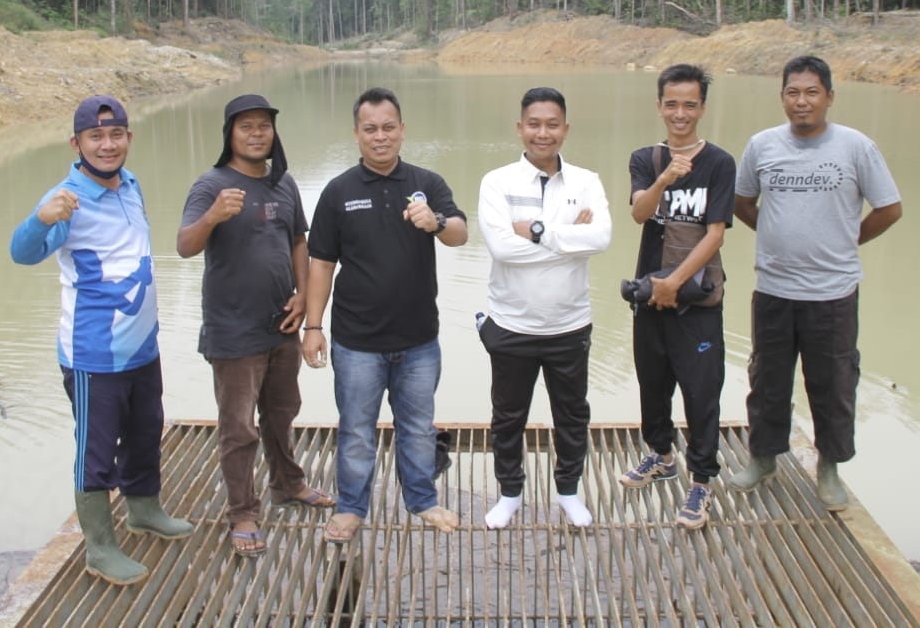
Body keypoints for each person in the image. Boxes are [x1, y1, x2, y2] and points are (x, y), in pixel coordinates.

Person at [10, 95, 192, 586]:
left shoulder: (130, 184)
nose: (107, 145)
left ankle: (144, 510)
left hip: (142, 347)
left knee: (145, 431)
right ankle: (99, 547)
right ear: (77, 143)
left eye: (115, 135)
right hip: (95, 356)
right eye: (96, 136)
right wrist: (41, 219)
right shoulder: (66, 199)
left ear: (128, 138)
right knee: (95, 449)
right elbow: (21, 253)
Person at [730, 55, 902, 511]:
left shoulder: (856, 147)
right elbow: (742, 202)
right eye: (793, 92)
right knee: (767, 380)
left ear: (829, 97)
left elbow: (889, 209)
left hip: (833, 294)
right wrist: (773, 232)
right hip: (774, 289)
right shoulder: (762, 145)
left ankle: (829, 467)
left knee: (833, 384)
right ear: (782, 97)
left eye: (811, 92)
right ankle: (763, 458)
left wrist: (847, 240)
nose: (801, 101)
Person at [302, 87, 468, 544]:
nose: (381, 137)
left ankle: (422, 499)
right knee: (356, 431)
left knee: (418, 427)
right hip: (356, 342)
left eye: (388, 127)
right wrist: (313, 327)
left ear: (402, 130)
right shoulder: (338, 192)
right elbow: (321, 264)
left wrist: (435, 222)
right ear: (357, 134)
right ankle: (352, 507)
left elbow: (460, 233)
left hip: (419, 341)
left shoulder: (426, 183)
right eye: (371, 129)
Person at [176, 94, 334, 558]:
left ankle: (288, 484)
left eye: (264, 125)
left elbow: (299, 241)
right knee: (238, 427)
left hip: (281, 324)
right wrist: (213, 216)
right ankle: (242, 512)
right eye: (246, 126)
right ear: (230, 133)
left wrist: (302, 294)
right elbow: (184, 246)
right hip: (233, 330)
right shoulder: (211, 185)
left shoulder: (283, 183)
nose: (257, 134)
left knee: (282, 412)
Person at [477, 87, 611, 530]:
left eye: (552, 124)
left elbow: (601, 238)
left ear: (566, 129)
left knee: (572, 415)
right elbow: (501, 248)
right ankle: (510, 493)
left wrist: (536, 231)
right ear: (520, 128)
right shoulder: (497, 182)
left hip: (569, 325)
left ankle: (568, 492)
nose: (543, 133)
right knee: (508, 417)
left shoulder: (586, 181)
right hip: (511, 324)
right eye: (534, 124)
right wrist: (569, 239)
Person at [618, 64, 736, 531]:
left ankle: (702, 478)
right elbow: (639, 213)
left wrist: (676, 282)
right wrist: (664, 178)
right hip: (651, 293)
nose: (680, 113)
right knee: (653, 381)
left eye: (690, 104)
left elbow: (716, 234)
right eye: (672, 104)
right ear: (659, 106)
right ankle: (661, 455)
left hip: (697, 298)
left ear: (702, 108)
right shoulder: (645, 159)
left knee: (701, 391)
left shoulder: (719, 163)